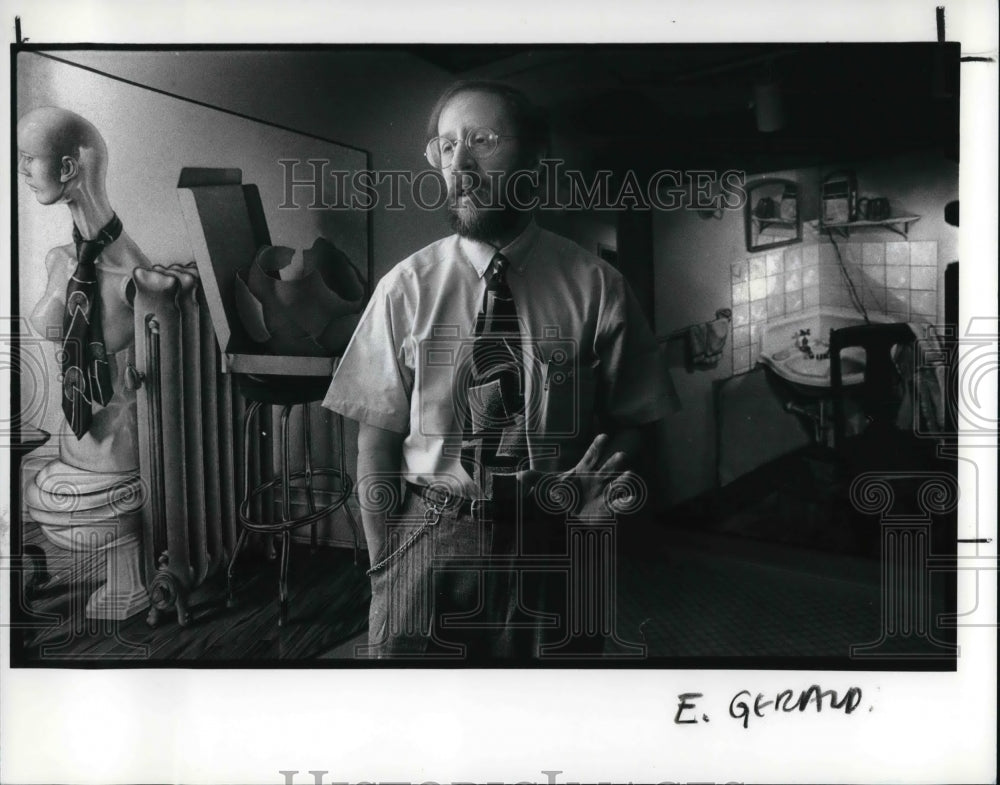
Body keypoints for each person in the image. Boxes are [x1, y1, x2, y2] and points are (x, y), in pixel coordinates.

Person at [322, 81, 669, 660]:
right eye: (447, 144)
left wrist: (597, 504)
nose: (461, 161)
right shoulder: (404, 290)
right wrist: (385, 557)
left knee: (547, 722)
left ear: (534, 158)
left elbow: (638, 418)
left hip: (556, 539)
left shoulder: (597, 287)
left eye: (482, 139)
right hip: (427, 536)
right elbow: (374, 438)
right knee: (419, 731)